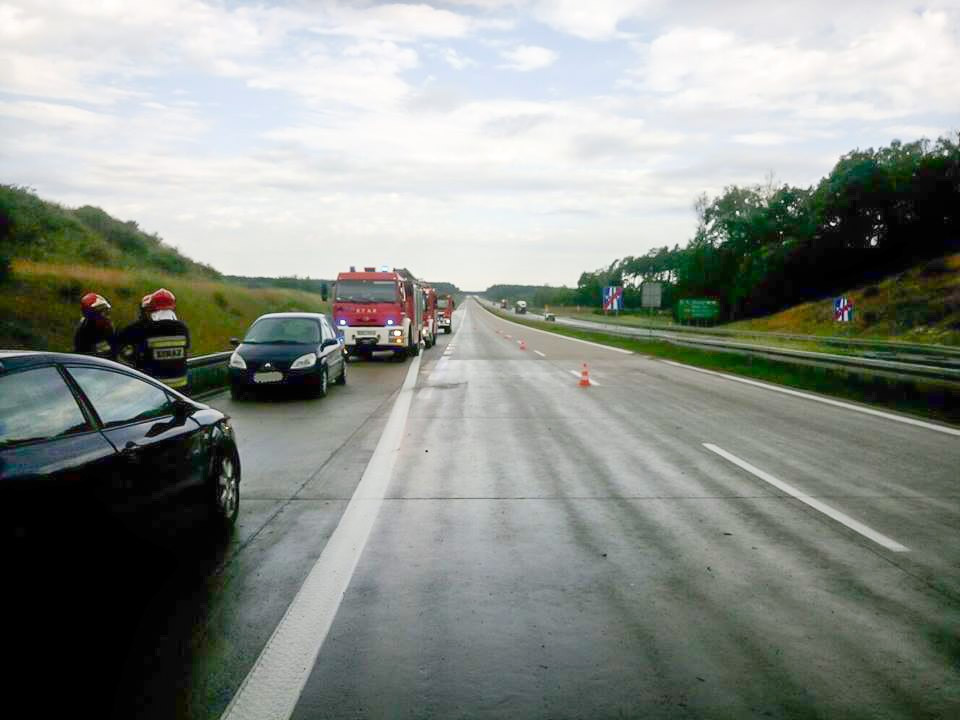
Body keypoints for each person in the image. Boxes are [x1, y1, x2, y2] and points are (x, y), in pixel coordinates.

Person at [116, 288, 191, 389]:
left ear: (152, 309)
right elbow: (186, 351)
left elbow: (134, 355)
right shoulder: (183, 328)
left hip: (156, 389)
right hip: (181, 387)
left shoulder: (147, 330)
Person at [74, 292, 116, 358]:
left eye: (107, 310)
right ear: (92, 315)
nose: (107, 315)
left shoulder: (106, 325)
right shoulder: (86, 332)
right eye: (102, 311)